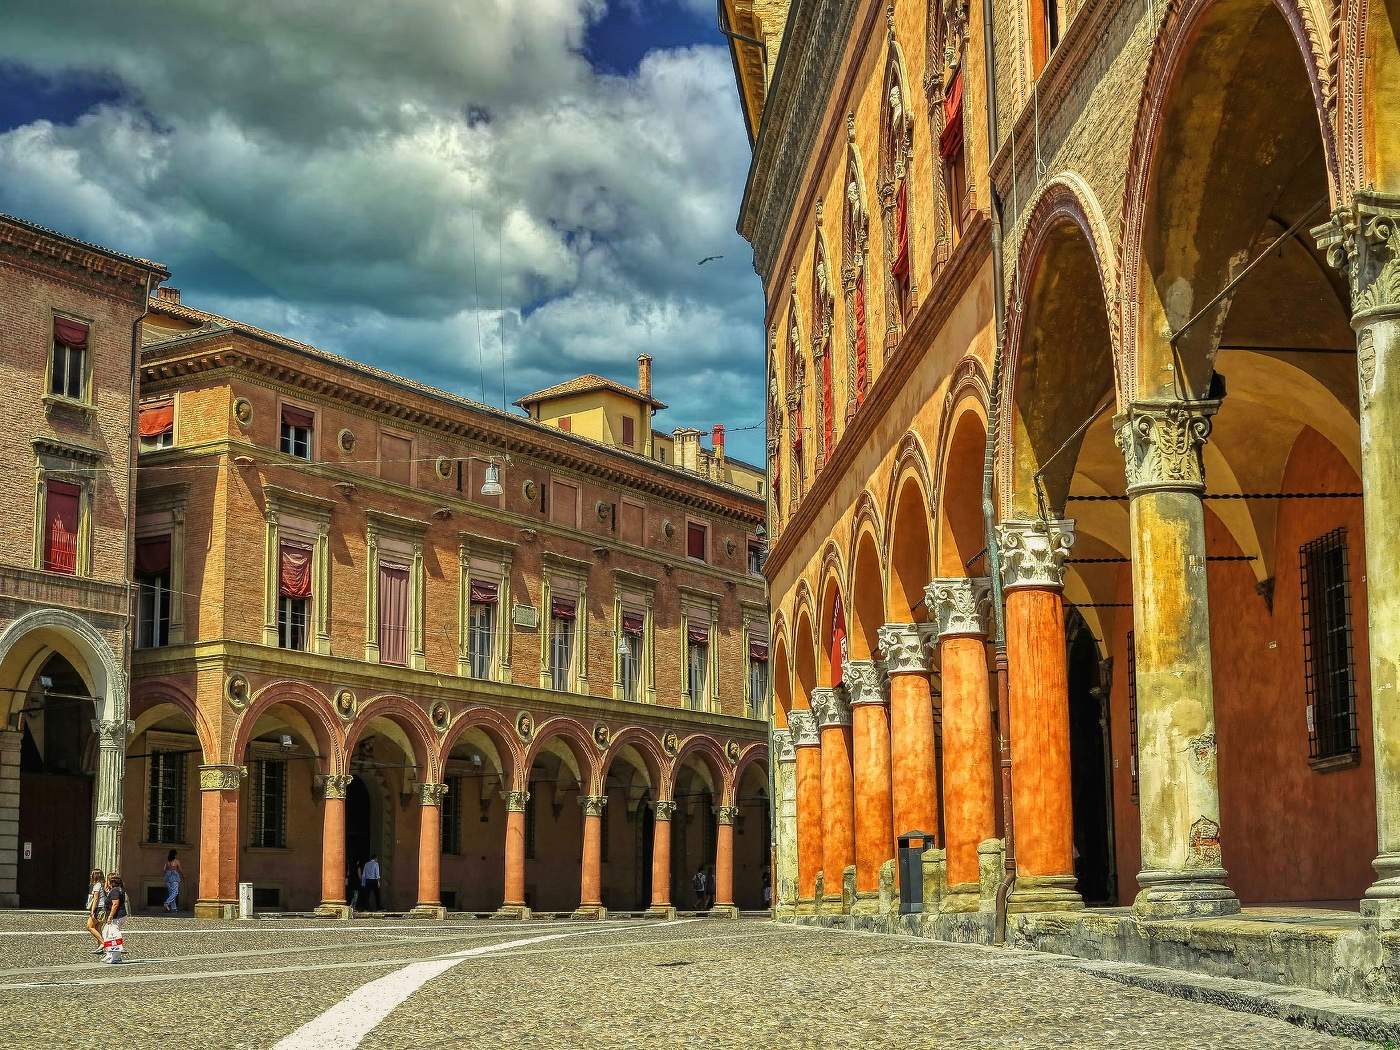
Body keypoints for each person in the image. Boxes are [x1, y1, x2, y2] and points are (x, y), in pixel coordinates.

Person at [102, 872, 128, 964]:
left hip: (117, 916)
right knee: (106, 933)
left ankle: (116, 957)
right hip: (120, 915)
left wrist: (110, 916)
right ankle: (109, 954)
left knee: (113, 935)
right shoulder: (119, 889)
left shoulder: (115, 891)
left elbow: (115, 904)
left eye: (108, 881)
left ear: (111, 882)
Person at [84, 868, 107, 955]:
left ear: (95, 876)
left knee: (89, 926)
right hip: (103, 908)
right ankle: (100, 948)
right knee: (98, 928)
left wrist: (92, 911)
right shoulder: (102, 884)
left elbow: (96, 899)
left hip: (99, 908)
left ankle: (103, 943)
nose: (90, 876)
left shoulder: (97, 885)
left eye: (92, 874)